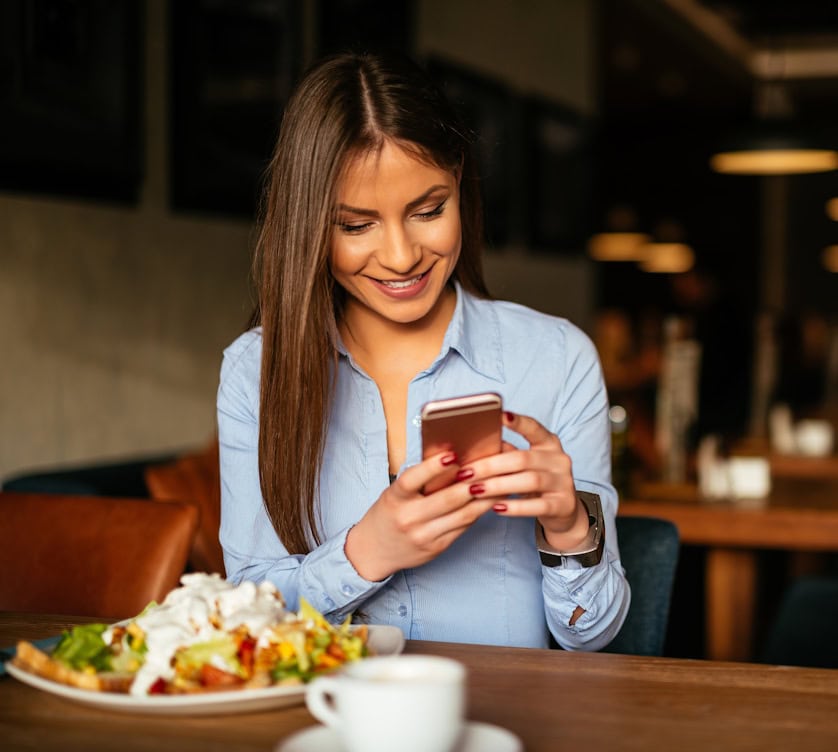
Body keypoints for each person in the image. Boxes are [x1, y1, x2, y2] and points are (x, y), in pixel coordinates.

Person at [217, 51, 629, 651]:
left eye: (428, 210)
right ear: (309, 225)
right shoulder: (253, 372)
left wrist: (569, 527)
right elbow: (241, 618)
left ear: (460, 180)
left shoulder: (557, 359)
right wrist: (366, 553)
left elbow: (592, 637)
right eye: (356, 226)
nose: (402, 256)